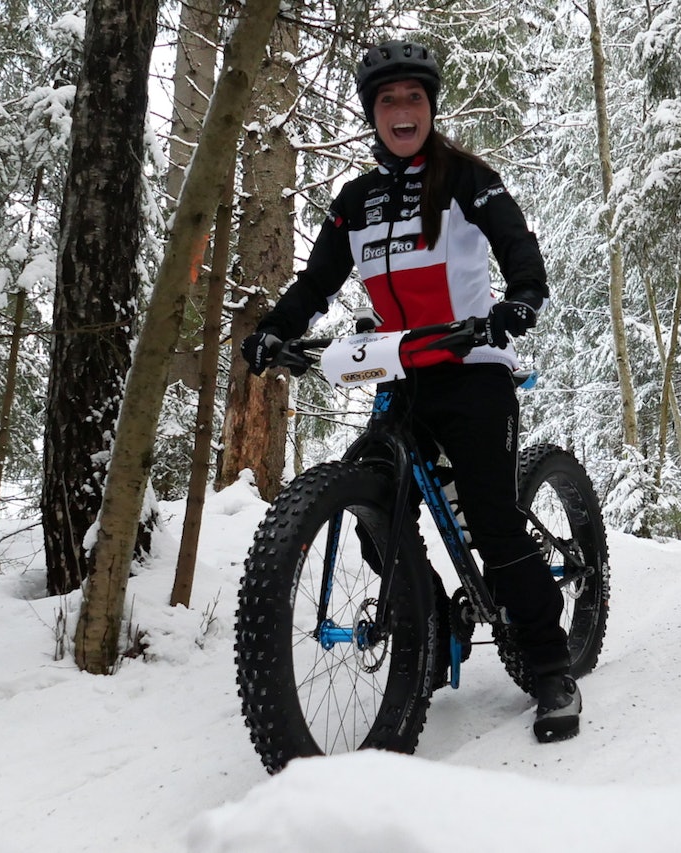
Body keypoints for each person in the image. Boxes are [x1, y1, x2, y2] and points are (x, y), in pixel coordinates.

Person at [239, 40, 581, 743]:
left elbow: (518, 243)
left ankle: (551, 666)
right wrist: (277, 327)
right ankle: (425, 621)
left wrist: (520, 299)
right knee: (376, 511)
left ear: (430, 108)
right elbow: (316, 282)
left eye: (413, 99)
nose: (402, 111)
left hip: (471, 366)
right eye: (388, 100)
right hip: (399, 372)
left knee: (492, 521)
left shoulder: (465, 179)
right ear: (372, 113)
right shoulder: (356, 202)